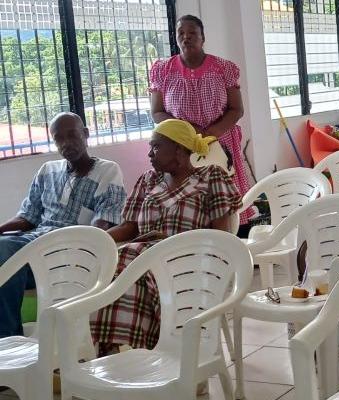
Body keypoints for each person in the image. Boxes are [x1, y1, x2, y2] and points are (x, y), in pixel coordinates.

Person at [90, 119, 241, 354]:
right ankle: (126, 351)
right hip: (142, 259)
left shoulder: (211, 177)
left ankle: (109, 349)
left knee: (130, 259)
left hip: (189, 262)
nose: (150, 154)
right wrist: (98, 243)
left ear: (179, 149)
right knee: (116, 261)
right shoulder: (147, 180)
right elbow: (129, 227)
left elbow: (220, 235)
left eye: (156, 147)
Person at [0, 112, 126, 338]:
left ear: (85, 134)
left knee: (4, 252)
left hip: (66, 252)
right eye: (59, 138)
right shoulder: (48, 170)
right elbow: (27, 218)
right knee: (4, 248)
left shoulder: (108, 170)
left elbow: (101, 226)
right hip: (33, 245)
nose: (66, 143)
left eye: (72, 135)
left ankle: (7, 338)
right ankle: (9, 339)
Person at [148, 14, 251, 227]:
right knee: (189, 205)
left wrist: (211, 133)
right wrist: (187, 132)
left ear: (203, 37)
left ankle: (233, 246)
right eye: (181, 34)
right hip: (180, 148)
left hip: (220, 142)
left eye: (192, 33)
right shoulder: (163, 70)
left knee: (224, 202)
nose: (186, 37)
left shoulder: (224, 68)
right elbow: (157, 112)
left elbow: (236, 109)